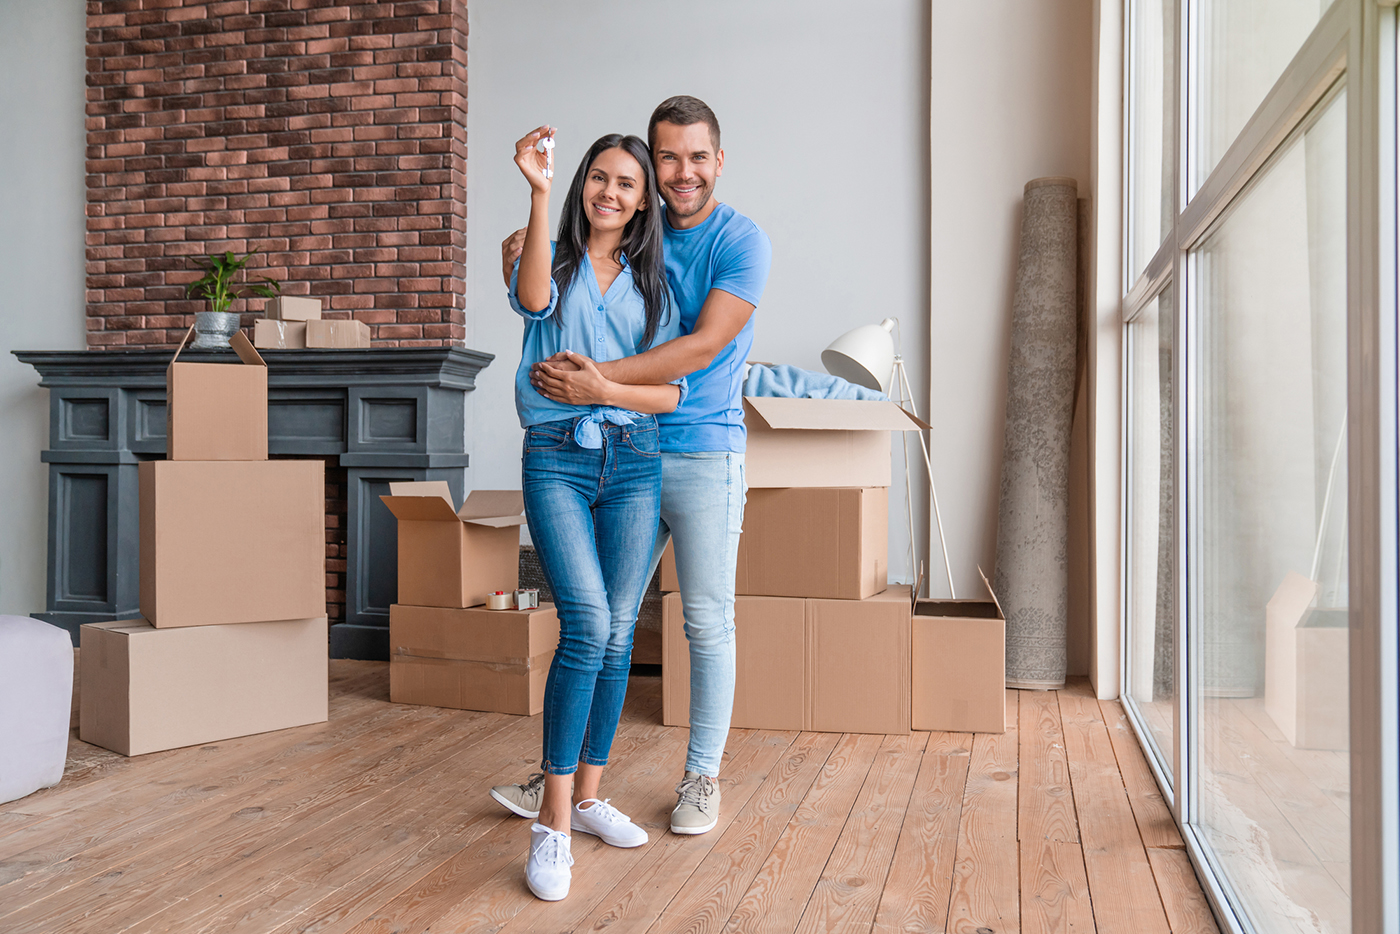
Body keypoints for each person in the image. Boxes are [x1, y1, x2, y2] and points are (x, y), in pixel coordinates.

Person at [491, 96, 772, 837]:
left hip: (700, 449)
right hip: (615, 452)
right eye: (669, 157)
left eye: (697, 157)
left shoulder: (739, 242)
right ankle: (574, 787)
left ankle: (700, 777)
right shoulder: (599, 244)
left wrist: (601, 386)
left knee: (706, 622)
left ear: (719, 160)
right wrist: (535, 234)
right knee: (606, 628)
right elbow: (539, 293)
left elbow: (703, 348)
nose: (684, 172)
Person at [504, 125, 686, 902]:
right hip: (557, 457)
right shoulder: (541, 249)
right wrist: (539, 189)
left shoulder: (655, 288)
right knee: (585, 623)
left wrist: (606, 390)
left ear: (643, 203)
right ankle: (551, 824)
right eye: (599, 178)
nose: (610, 192)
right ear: (582, 183)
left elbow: (670, 394)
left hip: (635, 459)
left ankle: (587, 797)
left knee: (616, 631)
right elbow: (533, 298)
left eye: (627, 185)